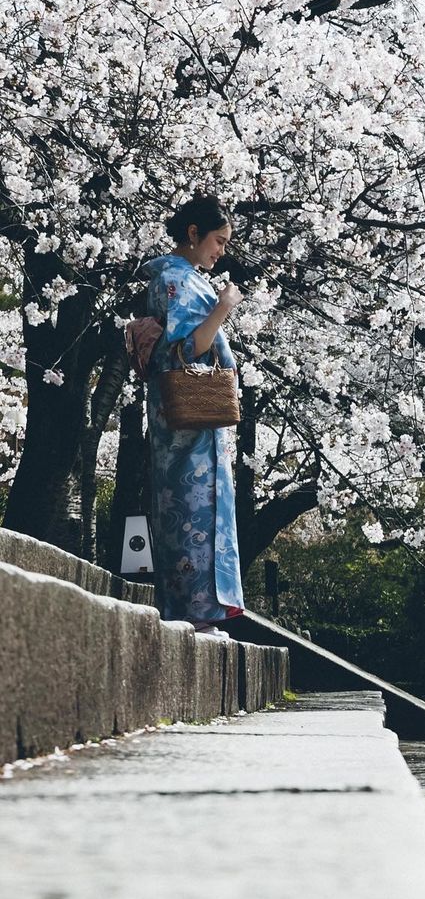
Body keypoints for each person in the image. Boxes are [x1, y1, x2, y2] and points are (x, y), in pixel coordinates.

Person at [143, 193, 244, 636]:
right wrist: (223, 308)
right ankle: (194, 612)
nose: (220, 251)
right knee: (193, 509)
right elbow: (187, 348)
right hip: (186, 423)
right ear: (193, 234)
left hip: (190, 421)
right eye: (217, 241)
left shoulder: (182, 277)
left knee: (196, 508)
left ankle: (199, 612)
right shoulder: (177, 280)